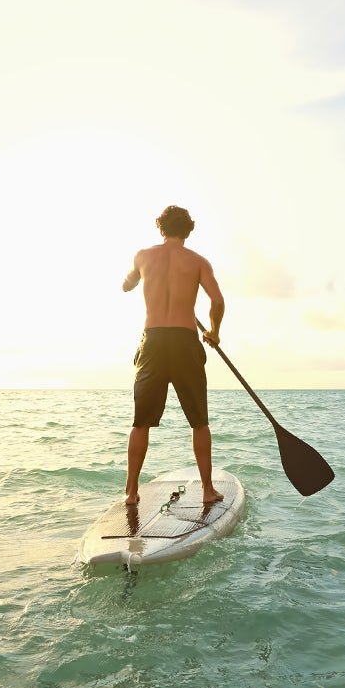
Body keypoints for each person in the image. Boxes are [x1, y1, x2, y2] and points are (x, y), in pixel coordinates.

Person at [121, 205, 225, 506]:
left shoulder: (142, 256)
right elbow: (217, 301)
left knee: (140, 422)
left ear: (161, 228)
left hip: (153, 342)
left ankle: (131, 492)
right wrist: (214, 332)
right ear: (188, 230)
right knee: (199, 421)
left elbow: (127, 284)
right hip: (184, 342)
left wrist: (129, 283)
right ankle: (207, 489)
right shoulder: (198, 262)